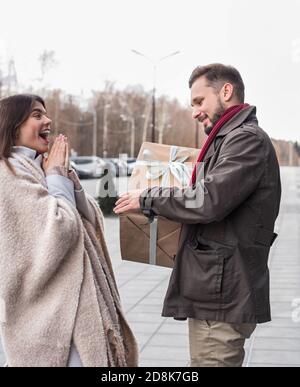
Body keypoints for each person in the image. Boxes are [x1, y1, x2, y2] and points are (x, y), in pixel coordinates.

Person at [114, 64, 281, 367]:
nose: (194, 112)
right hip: (217, 289)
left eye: (199, 101)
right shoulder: (228, 138)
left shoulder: (246, 140)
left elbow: (209, 200)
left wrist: (148, 197)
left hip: (223, 295)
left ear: (226, 91)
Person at [0, 94, 138, 367]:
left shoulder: (37, 166)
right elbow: (60, 230)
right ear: (13, 126)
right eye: (37, 115)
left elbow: (89, 221)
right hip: (50, 317)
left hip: (72, 307)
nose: (48, 120)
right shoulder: (9, 172)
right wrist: (56, 177)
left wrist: (64, 177)